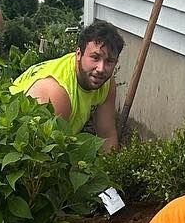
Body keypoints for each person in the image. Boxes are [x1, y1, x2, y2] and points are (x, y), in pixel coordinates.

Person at [9, 20, 123, 152]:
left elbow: (107, 136)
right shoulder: (59, 91)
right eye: (95, 58)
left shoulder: (107, 83)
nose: (101, 68)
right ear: (79, 54)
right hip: (13, 140)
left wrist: (111, 169)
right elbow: (49, 154)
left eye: (109, 61)